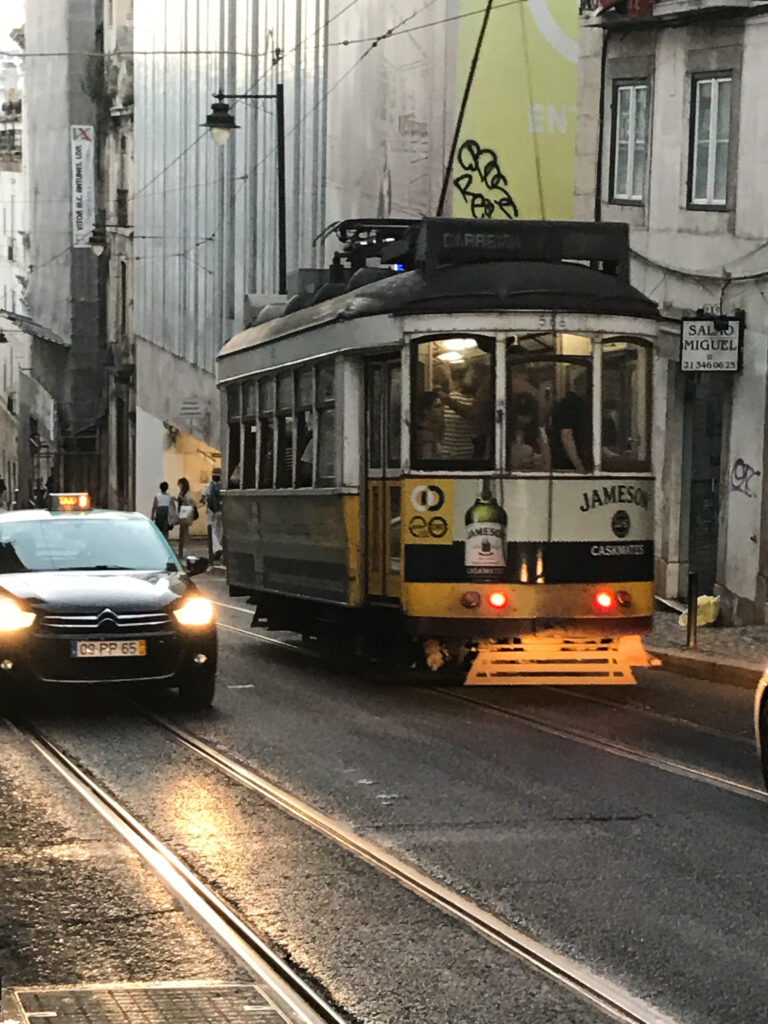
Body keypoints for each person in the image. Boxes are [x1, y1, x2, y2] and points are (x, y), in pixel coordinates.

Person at [550, 377, 590, 472]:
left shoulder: (564, 404)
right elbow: (566, 436)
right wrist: (579, 466)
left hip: (564, 462)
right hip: (568, 466)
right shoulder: (572, 406)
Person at [508, 392, 551, 471]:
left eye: (527, 415)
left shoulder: (540, 434)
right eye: (520, 414)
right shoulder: (505, 435)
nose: (524, 419)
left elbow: (546, 463)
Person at [202, 467, 223, 561]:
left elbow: (203, 498)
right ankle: (219, 547)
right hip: (222, 510)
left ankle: (217, 548)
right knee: (220, 530)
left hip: (211, 511)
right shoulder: (223, 486)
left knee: (212, 530)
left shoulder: (208, 486)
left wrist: (203, 501)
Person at [176, 477, 198, 558]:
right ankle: (181, 550)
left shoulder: (187, 493)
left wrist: (182, 499)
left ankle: (183, 550)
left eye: (179, 484)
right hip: (182, 512)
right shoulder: (183, 492)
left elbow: (190, 501)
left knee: (184, 531)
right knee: (183, 531)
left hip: (184, 512)